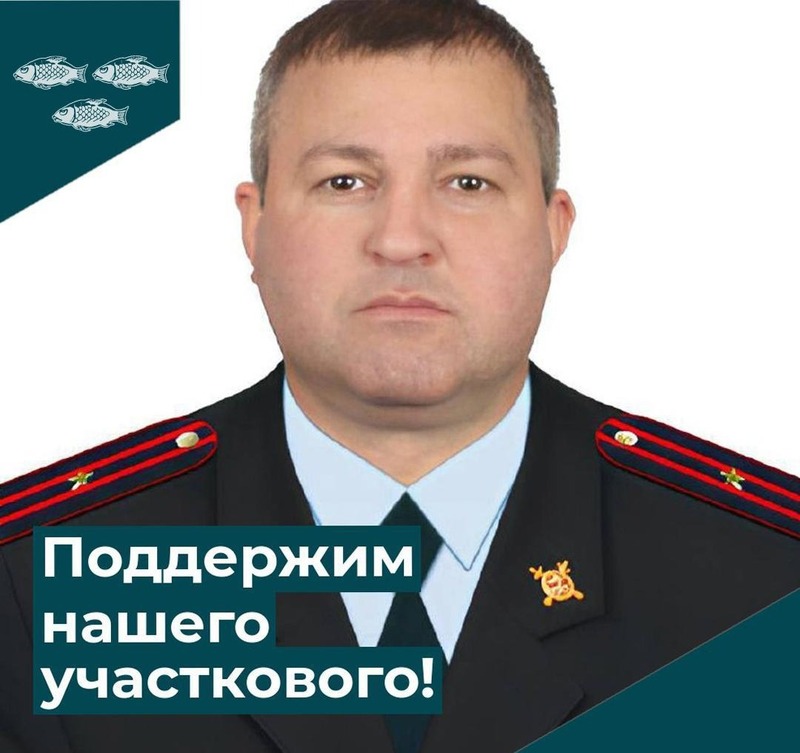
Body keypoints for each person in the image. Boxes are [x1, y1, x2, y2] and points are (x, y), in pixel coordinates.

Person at [1, 1, 799, 752]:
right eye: (344, 181)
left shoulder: (761, 582)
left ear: (553, 229)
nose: (402, 238)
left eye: (468, 183)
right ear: (255, 225)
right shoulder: (48, 576)